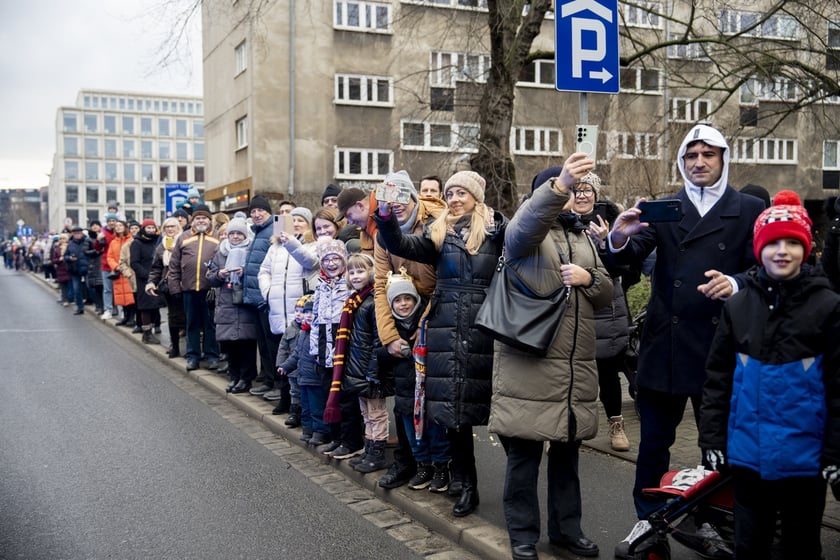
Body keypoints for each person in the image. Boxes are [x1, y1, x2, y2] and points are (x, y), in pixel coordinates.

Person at [607, 124, 767, 557]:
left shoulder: (749, 209)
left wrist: (735, 283)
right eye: (691, 154)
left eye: (708, 154)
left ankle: (715, 521)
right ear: (682, 161)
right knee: (654, 443)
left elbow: (768, 269)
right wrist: (620, 235)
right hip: (667, 348)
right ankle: (648, 521)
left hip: (722, 350)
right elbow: (629, 256)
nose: (699, 162)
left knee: (722, 447)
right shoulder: (665, 208)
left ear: (723, 159)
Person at [699, 192, 840, 560]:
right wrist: (712, 436)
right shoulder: (738, 306)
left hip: (805, 458)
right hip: (748, 455)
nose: (782, 251)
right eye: (773, 242)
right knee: (750, 544)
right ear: (758, 248)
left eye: (792, 242)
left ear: (806, 248)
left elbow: (838, 387)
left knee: (801, 544)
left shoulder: (828, 306)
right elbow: (718, 377)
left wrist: (836, 451)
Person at [488, 156, 612, 560]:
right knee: (524, 457)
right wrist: (559, 183)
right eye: (564, 189)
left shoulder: (583, 237)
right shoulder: (525, 233)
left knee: (567, 457)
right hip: (531, 362)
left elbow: (607, 291)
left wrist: (588, 277)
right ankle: (522, 533)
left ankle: (566, 531)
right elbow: (523, 229)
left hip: (575, 368)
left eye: (575, 189)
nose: (573, 195)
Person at [374, 170, 507, 517]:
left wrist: (503, 218)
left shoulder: (495, 231)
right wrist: (385, 220)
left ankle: (515, 492)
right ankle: (467, 486)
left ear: (476, 196)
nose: (455, 199)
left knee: (503, 414)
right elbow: (401, 245)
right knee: (454, 416)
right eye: (450, 194)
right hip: (445, 328)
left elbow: (523, 239)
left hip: (485, 327)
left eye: (462, 193)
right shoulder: (438, 233)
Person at [372, 170, 446, 490]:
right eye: (389, 198)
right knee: (404, 395)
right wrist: (390, 337)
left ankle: (444, 465)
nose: (396, 203)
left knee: (435, 399)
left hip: (435, 311)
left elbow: (446, 279)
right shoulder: (382, 234)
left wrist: (426, 323)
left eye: (402, 195)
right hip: (400, 310)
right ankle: (411, 461)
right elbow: (379, 286)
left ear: (413, 196)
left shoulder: (436, 222)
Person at [568, 171, 633, 451]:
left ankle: (616, 425)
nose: (582, 195)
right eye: (577, 190)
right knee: (571, 372)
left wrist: (608, 242)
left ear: (595, 194)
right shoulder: (560, 222)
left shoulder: (610, 221)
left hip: (606, 309)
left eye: (587, 191)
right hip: (571, 307)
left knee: (607, 371)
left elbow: (623, 269)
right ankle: (568, 426)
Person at [374, 268, 452, 490]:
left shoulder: (425, 323)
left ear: (416, 299)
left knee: (436, 435)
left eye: (408, 298)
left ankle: (440, 468)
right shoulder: (390, 330)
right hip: (406, 396)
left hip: (429, 394)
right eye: (398, 300)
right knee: (413, 437)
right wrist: (390, 350)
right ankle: (422, 466)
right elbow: (378, 355)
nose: (404, 304)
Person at [322, 253, 380, 462]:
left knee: (375, 413)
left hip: (367, 366)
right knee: (364, 410)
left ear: (371, 272)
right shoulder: (353, 300)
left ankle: (374, 452)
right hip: (354, 363)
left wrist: (373, 368)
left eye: (360, 271)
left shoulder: (371, 300)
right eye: (352, 271)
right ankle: (366, 448)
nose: (355, 276)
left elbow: (377, 339)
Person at [258, 206, 318, 407]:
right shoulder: (275, 246)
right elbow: (264, 271)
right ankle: (284, 398)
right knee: (281, 356)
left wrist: (291, 242)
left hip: (299, 311)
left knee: (299, 358)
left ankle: (300, 406)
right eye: (293, 220)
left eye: (301, 220)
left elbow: (309, 262)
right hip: (276, 308)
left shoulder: (311, 245)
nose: (296, 224)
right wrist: (268, 291)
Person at [243, 195, 289, 410]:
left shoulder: (276, 229)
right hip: (257, 297)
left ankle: (278, 385)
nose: (256, 214)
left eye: (261, 210)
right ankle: (269, 380)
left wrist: (268, 293)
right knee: (263, 344)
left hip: (269, 299)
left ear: (269, 212)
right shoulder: (257, 232)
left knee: (274, 345)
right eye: (253, 211)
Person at [307, 237, 351, 447]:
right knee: (328, 395)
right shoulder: (321, 286)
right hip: (324, 347)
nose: (331, 264)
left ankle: (348, 438)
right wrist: (315, 349)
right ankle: (335, 437)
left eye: (336, 259)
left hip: (343, 346)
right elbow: (315, 320)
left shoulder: (349, 284)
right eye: (327, 260)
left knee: (344, 397)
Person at [207, 215, 259, 394]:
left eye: (239, 234)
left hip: (245, 304)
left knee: (246, 345)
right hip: (226, 304)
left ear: (245, 236)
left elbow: (257, 273)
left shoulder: (251, 251)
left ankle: (246, 379)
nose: (236, 237)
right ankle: (234, 377)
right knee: (230, 346)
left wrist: (244, 272)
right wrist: (219, 275)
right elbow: (210, 277)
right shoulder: (220, 252)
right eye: (232, 233)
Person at [168, 205, 221, 371]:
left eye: (204, 218)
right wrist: (175, 287)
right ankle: (193, 357)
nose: (201, 220)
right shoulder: (183, 237)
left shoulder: (217, 238)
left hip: (209, 290)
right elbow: (174, 264)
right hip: (189, 289)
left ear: (209, 220)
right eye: (198, 218)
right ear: (193, 220)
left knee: (210, 324)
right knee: (191, 324)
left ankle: (212, 356)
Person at [278, 295, 317, 442]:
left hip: (312, 375)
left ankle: (316, 430)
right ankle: (301, 422)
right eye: (298, 311)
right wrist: (283, 365)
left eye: (306, 311)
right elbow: (288, 350)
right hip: (296, 371)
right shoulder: (295, 330)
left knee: (313, 403)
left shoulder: (314, 331)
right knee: (297, 394)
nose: (302, 315)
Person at [146, 217, 186, 358]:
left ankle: (192, 350)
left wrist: (176, 252)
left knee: (188, 316)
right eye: (167, 227)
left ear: (178, 228)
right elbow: (156, 268)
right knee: (173, 316)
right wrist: (151, 282)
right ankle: (174, 346)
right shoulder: (161, 246)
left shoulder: (185, 241)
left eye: (173, 226)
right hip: (169, 286)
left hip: (186, 284)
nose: (170, 229)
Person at [275, 294, 312, 424]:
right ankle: (294, 413)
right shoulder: (290, 329)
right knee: (294, 392)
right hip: (292, 369)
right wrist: (281, 364)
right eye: (296, 311)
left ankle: (305, 415)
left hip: (306, 369)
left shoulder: (310, 330)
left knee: (305, 393)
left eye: (302, 312)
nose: (298, 314)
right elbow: (283, 347)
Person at [130, 219, 165, 344]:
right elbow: (134, 262)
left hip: (157, 278)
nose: (151, 230)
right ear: (143, 229)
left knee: (155, 306)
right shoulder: (137, 243)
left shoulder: (158, 241)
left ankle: (151, 331)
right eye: (148, 228)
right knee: (146, 307)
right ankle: (147, 334)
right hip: (143, 279)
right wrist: (147, 276)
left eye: (152, 228)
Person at [107, 220, 135, 326]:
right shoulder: (114, 242)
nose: (118, 227)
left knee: (130, 295)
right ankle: (126, 317)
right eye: (116, 226)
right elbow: (109, 257)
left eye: (120, 225)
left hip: (128, 271)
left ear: (125, 227)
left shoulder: (131, 240)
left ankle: (131, 317)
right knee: (121, 295)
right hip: (119, 272)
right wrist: (116, 266)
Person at [64, 225, 95, 315]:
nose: (77, 235)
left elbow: (93, 253)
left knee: (90, 287)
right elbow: (65, 256)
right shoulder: (70, 244)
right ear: (73, 234)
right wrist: (69, 258)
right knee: (76, 289)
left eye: (79, 233)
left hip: (87, 268)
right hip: (75, 269)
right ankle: (80, 307)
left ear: (82, 233)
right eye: (75, 233)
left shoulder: (88, 241)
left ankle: (97, 305)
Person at [96, 213, 118, 319]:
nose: (112, 223)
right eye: (110, 221)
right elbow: (97, 248)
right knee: (107, 289)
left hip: (118, 264)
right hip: (106, 264)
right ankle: (108, 309)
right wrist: (98, 240)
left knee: (119, 289)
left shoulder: (120, 232)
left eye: (114, 220)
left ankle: (122, 310)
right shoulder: (103, 233)